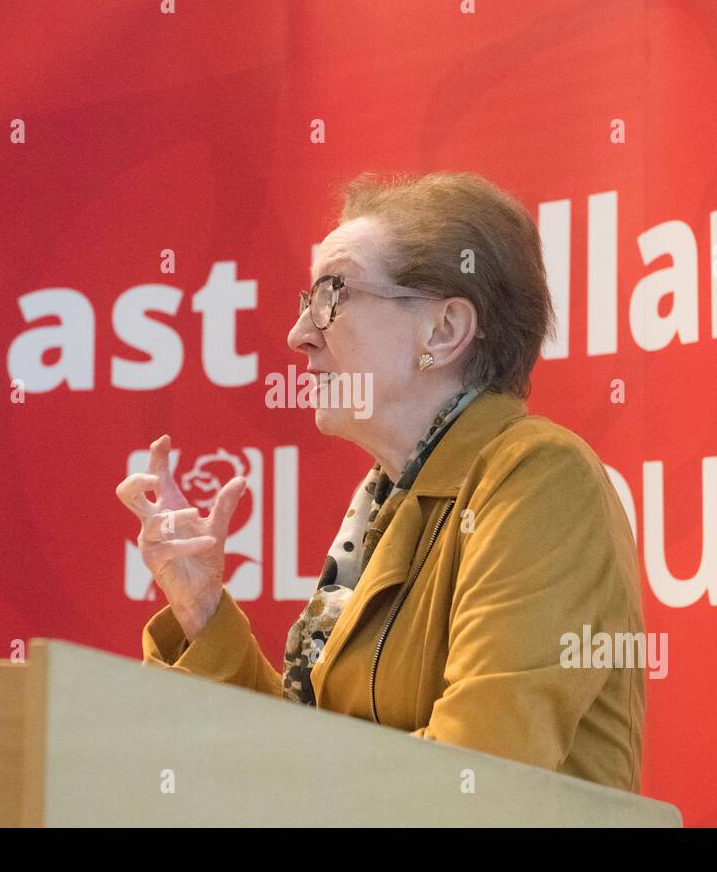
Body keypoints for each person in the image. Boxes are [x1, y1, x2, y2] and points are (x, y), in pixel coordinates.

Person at [116, 171, 645, 792]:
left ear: (442, 332)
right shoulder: (385, 500)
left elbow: (475, 782)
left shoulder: (539, 477)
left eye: (333, 296)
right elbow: (300, 754)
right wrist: (201, 610)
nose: (300, 335)